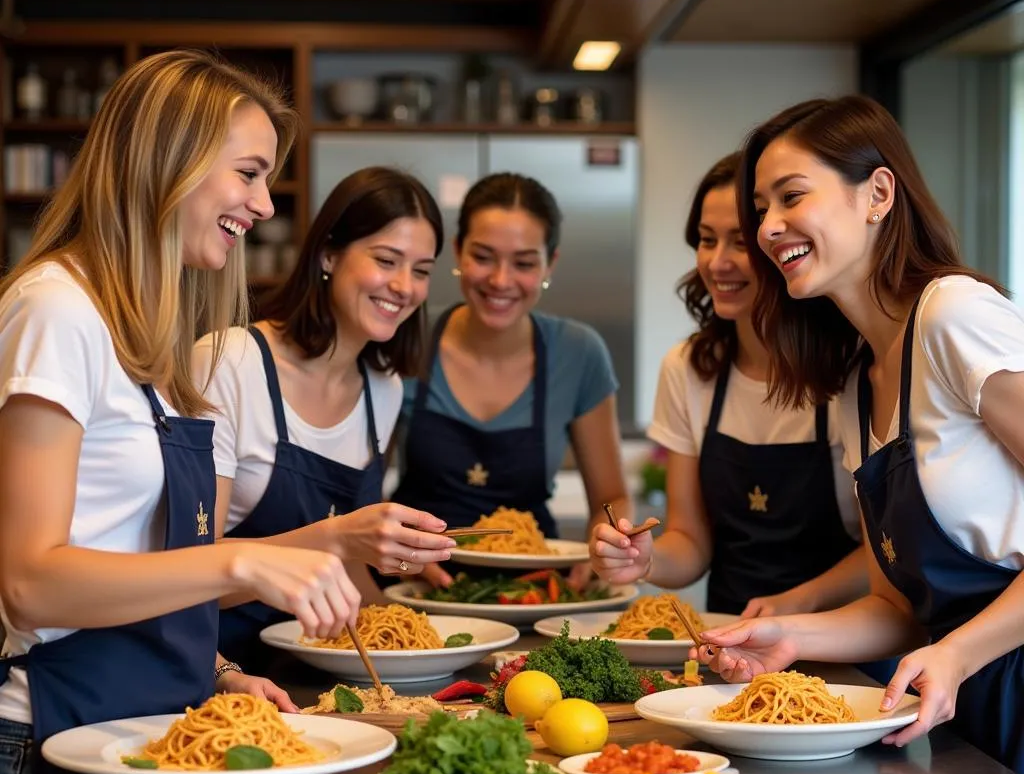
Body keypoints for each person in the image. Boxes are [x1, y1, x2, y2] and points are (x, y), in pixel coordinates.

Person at [0, 49, 361, 774]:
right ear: (167, 160)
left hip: (139, 738)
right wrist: (238, 565)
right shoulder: (54, 310)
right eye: (248, 173)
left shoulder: (150, 341)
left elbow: (125, 553)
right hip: (48, 746)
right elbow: (30, 580)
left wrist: (212, 666)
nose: (266, 205)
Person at [695, 94, 1024, 774]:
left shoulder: (953, 315)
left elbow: (945, 635)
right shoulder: (858, 378)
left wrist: (958, 651)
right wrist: (786, 636)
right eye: (762, 209)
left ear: (877, 193)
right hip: (983, 712)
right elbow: (897, 609)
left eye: (791, 197)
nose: (768, 228)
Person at [194, 167, 456, 678]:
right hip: (223, 674)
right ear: (328, 255)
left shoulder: (383, 389)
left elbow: (353, 571)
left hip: (329, 674)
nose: (404, 287)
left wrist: (430, 635)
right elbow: (188, 571)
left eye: (422, 270)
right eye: (386, 260)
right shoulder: (230, 364)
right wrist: (338, 536)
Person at [589, 153, 865, 617]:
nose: (717, 263)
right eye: (706, 240)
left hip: (847, 647)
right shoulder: (689, 369)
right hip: (731, 646)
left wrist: (796, 606)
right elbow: (691, 541)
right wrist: (644, 557)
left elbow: (886, 554)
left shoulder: (851, 368)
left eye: (739, 242)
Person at [392, 172, 630, 588]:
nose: (501, 281)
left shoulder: (579, 352)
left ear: (549, 264)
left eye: (523, 263)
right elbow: (359, 494)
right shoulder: (405, 337)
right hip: (417, 587)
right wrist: (400, 558)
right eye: (483, 257)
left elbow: (611, 498)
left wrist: (602, 550)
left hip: (536, 589)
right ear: (457, 252)